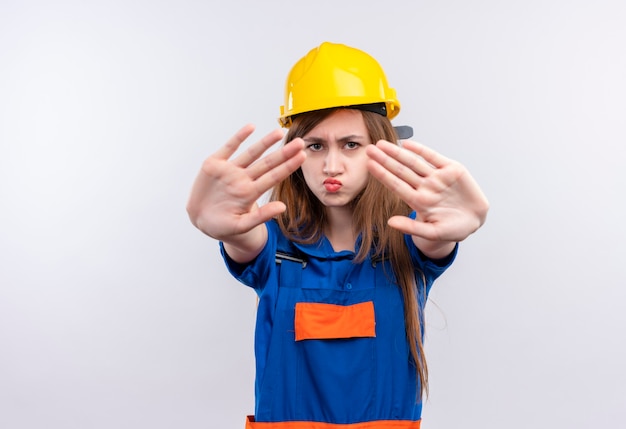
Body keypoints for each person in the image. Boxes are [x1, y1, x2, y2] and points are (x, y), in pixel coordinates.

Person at [187, 42, 489, 429]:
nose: (332, 165)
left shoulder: (411, 238)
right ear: (295, 153)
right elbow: (244, 239)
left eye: (351, 145)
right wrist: (221, 224)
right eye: (315, 146)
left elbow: (435, 239)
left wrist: (455, 224)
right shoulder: (272, 243)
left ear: (381, 146)